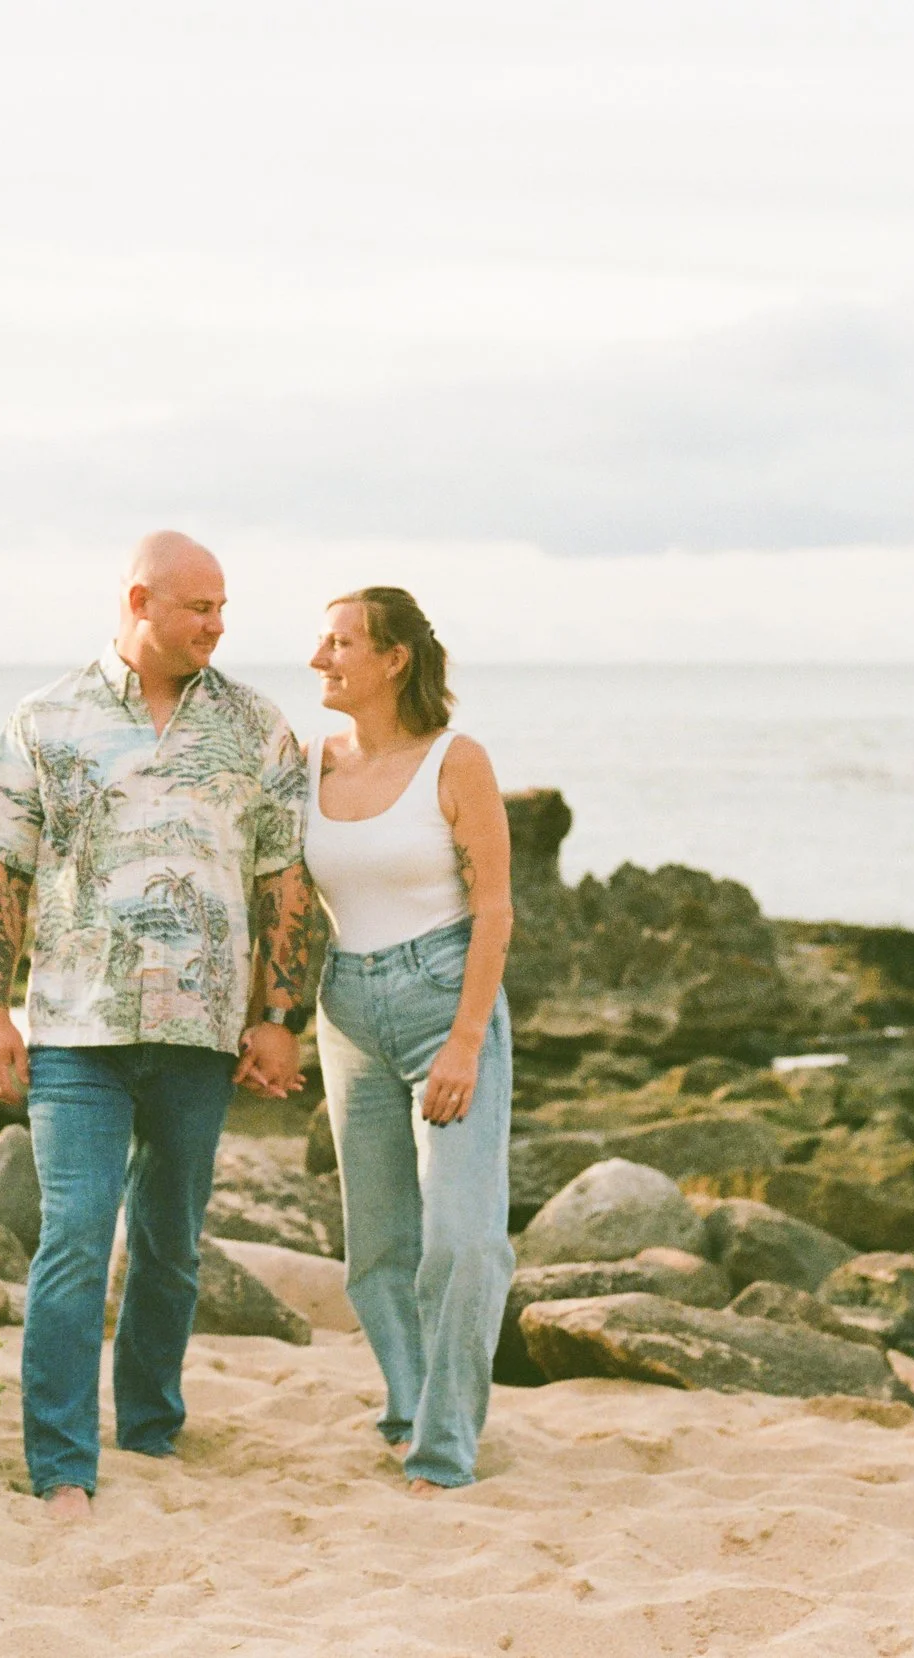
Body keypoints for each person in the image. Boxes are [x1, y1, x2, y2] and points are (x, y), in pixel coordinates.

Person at [0, 530, 316, 1517]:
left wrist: (277, 1014)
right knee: (75, 1235)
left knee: (170, 1242)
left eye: (221, 609)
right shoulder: (45, 719)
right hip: (76, 1030)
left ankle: (152, 1425)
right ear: (139, 600)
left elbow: (283, 879)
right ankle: (62, 1461)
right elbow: (2, 873)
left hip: (200, 1034)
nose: (216, 623)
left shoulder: (257, 727)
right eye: (198, 607)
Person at [302, 586, 514, 1494]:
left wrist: (467, 1040)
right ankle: (412, 1403)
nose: (322, 658)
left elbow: (497, 906)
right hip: (346, 1003)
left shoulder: (455, 762)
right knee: (379, 1247)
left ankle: (445, 1445)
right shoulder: (311, 765)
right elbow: (287, 905)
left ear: (393, 661)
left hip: (444, 1000)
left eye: (342, 642)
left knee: (463, 1240)